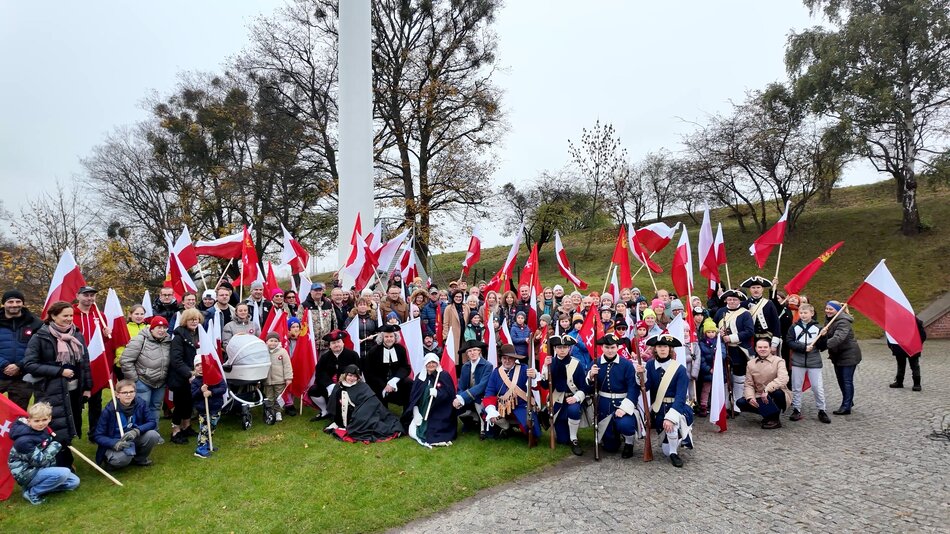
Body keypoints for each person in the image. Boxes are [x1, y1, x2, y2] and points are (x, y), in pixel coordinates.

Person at [22, 301, 91, 468]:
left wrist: (87, 387)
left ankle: (65, 459)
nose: (69, 319)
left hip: (74, 390)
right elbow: (29, 364)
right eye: (64, 316)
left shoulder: (77, 334)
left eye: (70, 315)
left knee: (71, 422)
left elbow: (85, 363)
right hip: (50, 390)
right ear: (53, 316)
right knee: (55, 426)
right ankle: (61, 463)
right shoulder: (40, 336)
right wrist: (59, 371)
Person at [638, 334, 695, 467]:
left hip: (677, 406)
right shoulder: (651, 365)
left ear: (670, 349)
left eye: (665, 346)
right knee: (664, 450)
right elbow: (646, 387)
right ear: (655, 349)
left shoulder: (680, 369)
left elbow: (681, 396)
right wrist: (641, 375)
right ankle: (672, 442)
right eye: (659, 346)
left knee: (672, 427)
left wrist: (671, 417)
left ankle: (675, 452)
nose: (662, 349)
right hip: (659, 408)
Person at [7, 402, 80, 504]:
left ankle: (39, 487)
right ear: (29, 421)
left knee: (74, 482)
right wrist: (57, 444)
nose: (41, 423)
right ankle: (32, 492)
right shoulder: (23, 441)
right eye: (36, 421)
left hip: (42, 469)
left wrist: (59, 442)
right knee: (64, 473)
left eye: (44, 420)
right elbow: (39, 461)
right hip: (26, 473)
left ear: (49, 418)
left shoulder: (44, 429)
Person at [587, 334, 644, 459]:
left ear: (617, 347)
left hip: (623, 402)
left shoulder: (626, 364)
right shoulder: (595, 363)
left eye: (613, 347)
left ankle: (629, 443)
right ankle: (614, 436)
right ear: (602, 347)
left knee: (625, 425)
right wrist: (591, 376)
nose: (610, 350)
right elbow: (588, 389)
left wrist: (624, 408)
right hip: (603, 406)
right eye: (607, 347)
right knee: (610, 447)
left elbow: (633, 388)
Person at [91, 379, 162, 469]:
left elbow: (152, 422)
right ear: (117, 395)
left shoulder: (141, 404)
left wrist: (137, 431)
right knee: (123, 459)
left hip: (133, 437)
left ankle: (139, 459)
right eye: (125, 392)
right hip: (116, 441)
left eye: (131, 391)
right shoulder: (109, 411)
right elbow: (98, 436)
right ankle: (110, 461)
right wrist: (114, 443)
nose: (128, 395)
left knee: (153, 435)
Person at [323, 364, 404, 443]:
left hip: (362, 414)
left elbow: (370, 403)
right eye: (350, 375)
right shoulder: (339, 386)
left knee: (372, 426)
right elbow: (334, 403)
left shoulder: (362, 386)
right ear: (345, 375)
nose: (352, 378)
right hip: (344, 416)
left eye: (355, 376)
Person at [540, 335, 590, 456]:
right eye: (559, 347)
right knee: (562, 440)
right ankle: (567, 434)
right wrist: (546, 368)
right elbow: (545, 385)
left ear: (569, 348)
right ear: (555, 349)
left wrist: (576, 398)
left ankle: (574, 439)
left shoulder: (576, 364)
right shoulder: (550, 363)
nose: (562, 350)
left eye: (565, 347)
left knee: (573, 410)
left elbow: (584, 386)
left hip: (572, 399)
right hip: (557, 401)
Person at [71, 286, 108, 442]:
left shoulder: (100, 315)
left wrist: (107, 335)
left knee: (96, 401)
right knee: (75, 400)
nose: (89, 298)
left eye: (92, 295)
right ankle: (73, 432)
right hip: (75, 363)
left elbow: (103, 342)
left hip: (95, 363)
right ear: (78, 296)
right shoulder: (70, 314)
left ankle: (94, 433)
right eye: (86, 295)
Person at [119, 316, 172, 424]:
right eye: (158, 327)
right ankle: (139, 432)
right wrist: (135, 380)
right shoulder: (139, 339)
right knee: (141, 408)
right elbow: (126, 360)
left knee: (156, 407)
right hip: (142, 381)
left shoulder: (168, 341)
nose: (162, 330)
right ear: (152, 328)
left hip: (160, 382)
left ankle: (154, 433)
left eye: (164, 327)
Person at [483, 344, 541, 441]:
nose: (507, 361)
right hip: (502, 406)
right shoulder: (496, 372)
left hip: (521, 405)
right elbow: (490, 392)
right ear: (501, 359)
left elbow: (536, 387)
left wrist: (534, 376)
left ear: (515, 359)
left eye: (510, 358)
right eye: (504, 358)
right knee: (487, 414)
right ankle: (505, 427)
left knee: (530, 428)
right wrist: (491, 410)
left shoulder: (523, 368)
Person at [785, 303, 830, 424]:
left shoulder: (818, 328)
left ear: (812, 313)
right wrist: (803, 347)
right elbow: (789, 341)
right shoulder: (794, 327)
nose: (803, 315)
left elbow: (822, 347)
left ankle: (822, 410)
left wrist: (823, 337)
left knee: (817, 387)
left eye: (806, 313)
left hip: (814, 361)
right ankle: (796, 409)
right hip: (798, 361)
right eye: (801, 313)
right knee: (796, 387)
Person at [0, 289, 43, 410]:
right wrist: (4, 365)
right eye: (10, 301)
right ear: (4, 304)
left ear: (23, 303)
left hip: (23, 377)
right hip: (0, 374)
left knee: (18, 414)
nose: (14, 304)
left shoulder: (36, 323)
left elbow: (40, 349)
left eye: (18, 301)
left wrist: (19, 365)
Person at [402, 353, 457, 447]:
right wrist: (415, 411)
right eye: (429, 362)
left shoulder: (443, 375)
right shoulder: (420, 376)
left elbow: (449, 395)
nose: (431, 365)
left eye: (433, 362)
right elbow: (414, 396)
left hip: (439, 409)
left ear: (437, 363)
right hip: (422, 409)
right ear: (425, 364)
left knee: (435, 430)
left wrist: (438, 394)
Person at [817, 301, 861, 415]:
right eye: (826, 308)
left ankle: (846, 406)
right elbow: (827, 336)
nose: (827, 311)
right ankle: (848, 400)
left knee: (846, 380)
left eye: (831, 309)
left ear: (837, 310)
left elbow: (838, 338)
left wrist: (821, 345)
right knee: (841, 380)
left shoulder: (843, 321)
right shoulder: (829, 320)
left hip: (849, 355)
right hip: (837, 355)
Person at [736, 339, 791, 429]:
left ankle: (774, 419)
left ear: (770, 349)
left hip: (776, 392)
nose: (762, 349)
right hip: (759, 394)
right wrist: (750, 397)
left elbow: (783, 378)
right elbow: (749, 384)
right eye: (760, 347)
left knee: (777, 393)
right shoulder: (750, 363)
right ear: (756, 349)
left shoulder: (779, 361)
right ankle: (768, 415)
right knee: (741, 402)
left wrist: (767, 390)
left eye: (765, 347)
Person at [715, 289, 755, 412]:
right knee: (725, 376)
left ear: (739, 301)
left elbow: (749, 331)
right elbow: (713, 326)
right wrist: (719, 332)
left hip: (739, 349)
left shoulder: (745, 314)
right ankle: (726, 403)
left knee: (739, 376)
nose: (732, 301)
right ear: (726, 300)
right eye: (730, 299)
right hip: (724, 349)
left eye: (735, 299)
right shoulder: (720, 311)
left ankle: (737, 402)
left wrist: (730, 338)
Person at [309, 330, 361, 420]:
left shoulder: (353, 355)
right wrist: (329, 385)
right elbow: (320, 373)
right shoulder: (325, 357)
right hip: (330, 388)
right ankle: (325, 411)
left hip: (348, 387)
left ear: (343, 343)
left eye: (338, 342)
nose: (336, 345)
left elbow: (358, 372)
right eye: (333, 343)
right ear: (329, 345)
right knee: (313, 390)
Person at [168, 308, 202, 444]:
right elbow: (176, 360)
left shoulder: (199, 334)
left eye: (196, 319)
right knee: (180, 404)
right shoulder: (178, 337)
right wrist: (190, 373)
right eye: (191, 319)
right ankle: (175, 430)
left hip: (195, 375)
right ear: (185, 321)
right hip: (180, 377)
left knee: (189, 403)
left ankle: (186, 426)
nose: (194, 321)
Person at [364, 324, 412, 408]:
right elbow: (369, 372)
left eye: (391, 336)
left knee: (409, 383)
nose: (389, 339)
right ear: (382, 338)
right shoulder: (373, 351)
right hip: (378, 382)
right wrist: (384, 385)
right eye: (386, 337)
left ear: (395, 337)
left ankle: (407, 415)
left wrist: (394, 380)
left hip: (396, 380)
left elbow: (406, 367)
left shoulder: (400, 349)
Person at [453, 339, 492, 436]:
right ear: (467, 354)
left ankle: (482, 427)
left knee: (478, 404)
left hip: (481, 396)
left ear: (479, 351)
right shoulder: (465, 366)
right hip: (467, 396)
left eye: (475, 350)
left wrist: (463, 397)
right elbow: (461, 386)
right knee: (455, 406)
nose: (472, 353)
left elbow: (482, 386)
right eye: (469, 351)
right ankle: (469, 422)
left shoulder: (488, 366)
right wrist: (458, 397)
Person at [191, 357, 228, 458]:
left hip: (216, 407)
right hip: (204, 410)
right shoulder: (195, 382)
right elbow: (193, 395)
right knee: (205, 429)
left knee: (212, 427)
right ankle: (200, 448)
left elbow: (223, 388)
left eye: (202, 364)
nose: (200, 367)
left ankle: (208, 443)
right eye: (197, 365)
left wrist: (211, 392)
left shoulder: (215, 376)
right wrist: (201, 390)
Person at [741, 276, 782, 354]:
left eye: (758, 287)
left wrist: (774, 342)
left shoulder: (769, 304)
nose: (756, 290)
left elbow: (776, 322)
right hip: (751, 339)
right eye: (753, 287)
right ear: (750, 289)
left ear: (762, 289)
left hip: (767, 338)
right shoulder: (744, 304)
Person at [694, 318, 724, 417]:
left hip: (718, 370)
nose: (711, 334)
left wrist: (718, 358)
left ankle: (719, 407)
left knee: (717, 389)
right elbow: (701, 359)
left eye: (713, 332)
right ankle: (703, 405)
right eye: (709, 332)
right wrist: (708, 369)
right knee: (706, 389)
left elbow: (723, 354)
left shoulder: (719, 342)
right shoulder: (702, 344)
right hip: (708, 371)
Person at [888, 316, 927, 391]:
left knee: (908, 365)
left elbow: (923, 335)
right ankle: (913, 384)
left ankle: (913, 383)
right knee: (911, 365)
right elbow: (923, 335)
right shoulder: (914, 320)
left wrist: (891, 346)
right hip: (903, 346)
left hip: (909, 346)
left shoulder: (896, 320)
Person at [263, 332, 293, 424]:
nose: (273, 343)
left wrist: (288, 378)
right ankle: (270, 412)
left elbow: (287, 365)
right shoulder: (263, 352)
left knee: (279, 397)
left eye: (275, 341)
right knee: (269, 397)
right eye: (271, 341)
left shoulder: (282, 352)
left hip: (280, 380)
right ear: (267, 342)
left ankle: (278, 412)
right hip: (267, 380)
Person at [114, 305, 149, 379]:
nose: (139, 316)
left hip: (145, 366)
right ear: (130, 315)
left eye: (142, 314)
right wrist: (122, 361)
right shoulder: (124, 328)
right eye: (136, 314)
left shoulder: (149, 328)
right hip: (127, 365)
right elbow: (120, 347)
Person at [442, 289, 469, 355]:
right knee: (455, 354)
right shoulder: (448, 308)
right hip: (453, 335)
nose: (458, 298)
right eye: (456, 297)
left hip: (464, 335)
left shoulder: (466, 307)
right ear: (453, 297)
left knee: (464, 354)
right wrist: (445, 337)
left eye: (460, 297)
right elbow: (445, 323)